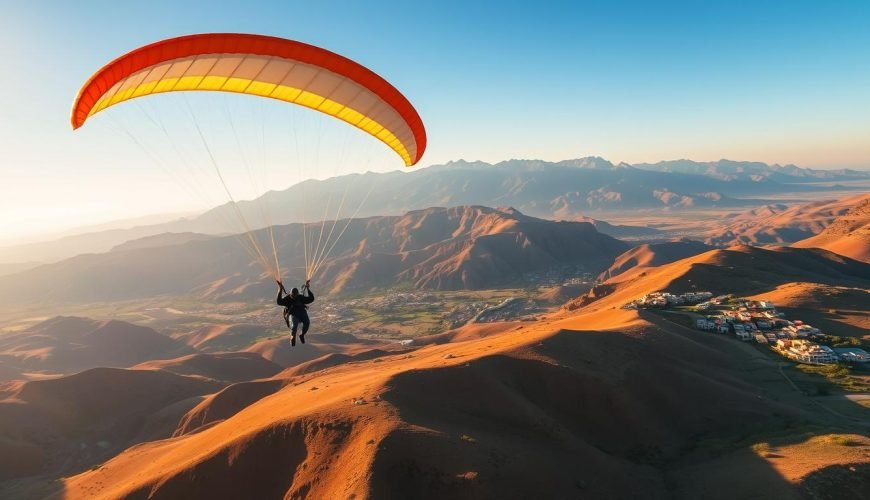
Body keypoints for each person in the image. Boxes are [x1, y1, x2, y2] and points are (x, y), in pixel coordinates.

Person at [276, 279, 314, 346]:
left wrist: (308, 288)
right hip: (293, 314)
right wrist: (280, 289)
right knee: (294, 326)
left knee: (307, 323)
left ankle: (302, 334)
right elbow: (279, 302)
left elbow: (311, 299)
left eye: (295, 296)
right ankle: (293, 336)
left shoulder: (300, 297)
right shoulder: (287, 299)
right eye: (293, 296)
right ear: (291, 294)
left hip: (302, 313)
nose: (294, 297)